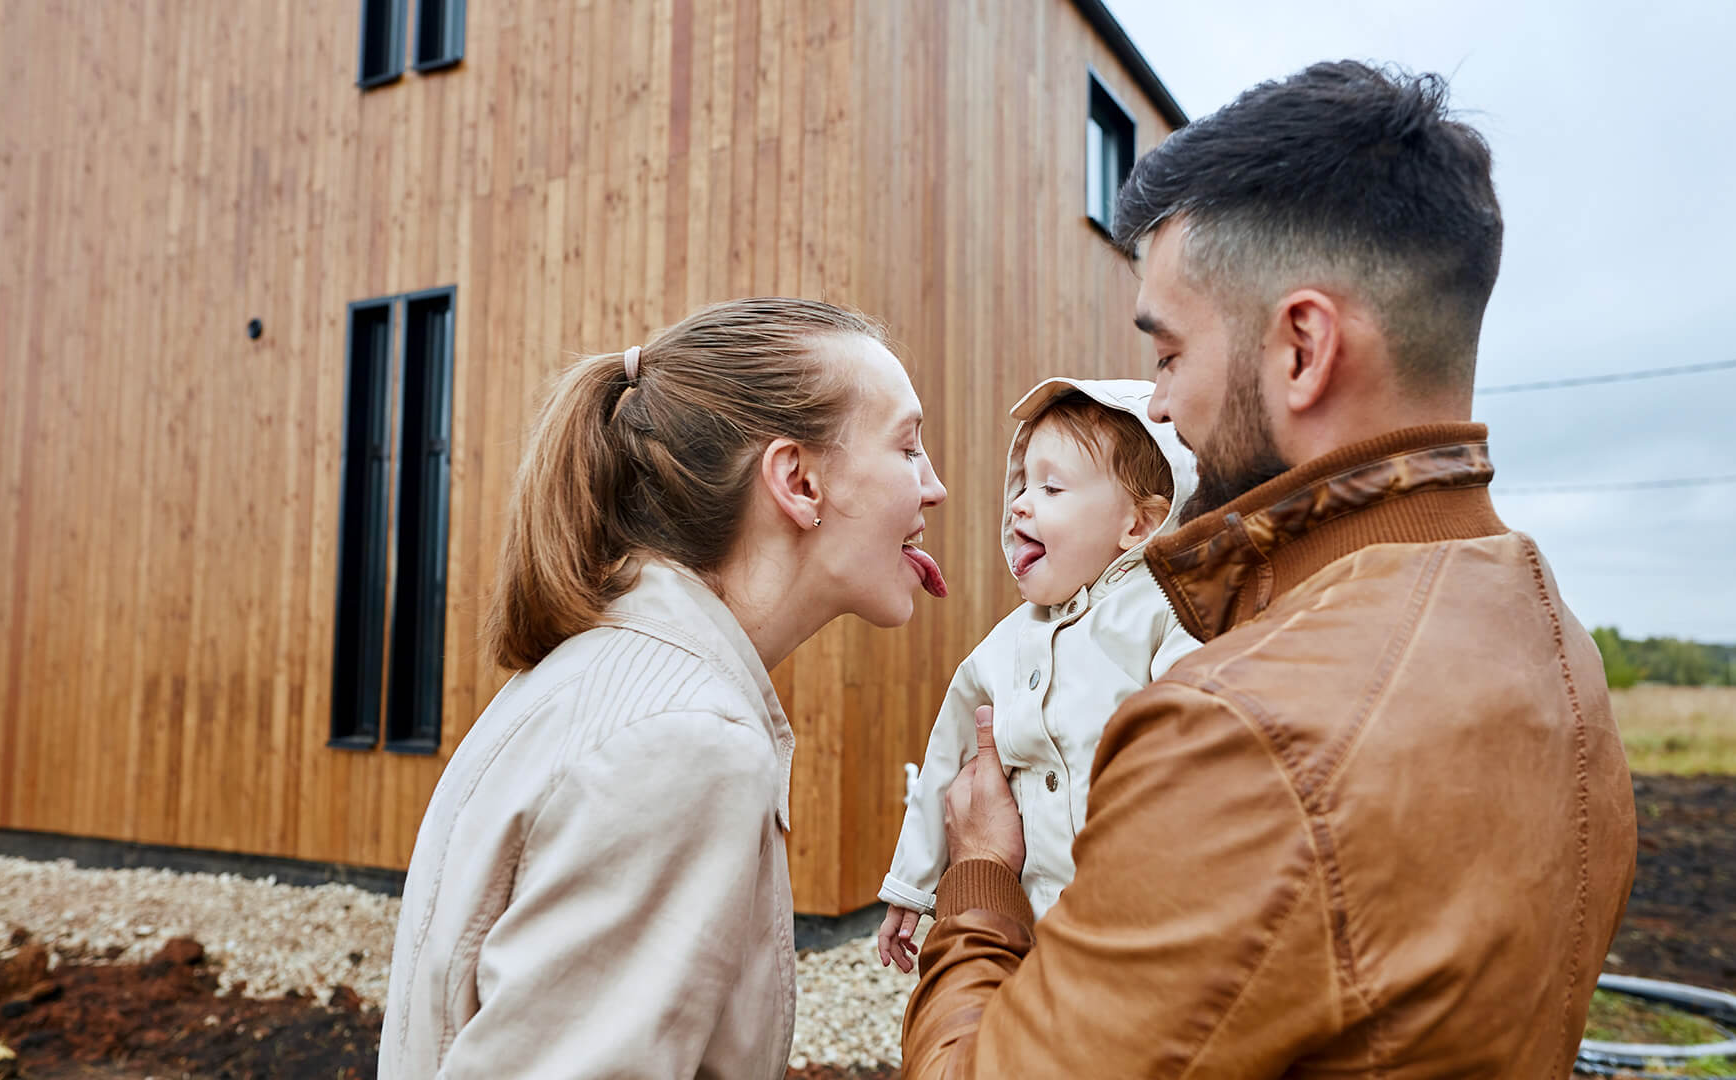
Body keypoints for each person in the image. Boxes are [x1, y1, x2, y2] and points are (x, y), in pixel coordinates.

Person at [900, 62, 1638, 1078]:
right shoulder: (1552, 638)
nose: (1159, 408)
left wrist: (980, 880)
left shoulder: (1244, 730)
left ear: (1302, 348)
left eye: (1167, 356)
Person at [379, 298, 948, 1080]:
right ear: (800, 482)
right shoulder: (683, 741)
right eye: (909, 448)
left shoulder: (607, 682)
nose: (936, 487)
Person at [873, 378, 1200, 970]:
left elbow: (1206, 732)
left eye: (1051, 487)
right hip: (1031, 934)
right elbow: (949, 761)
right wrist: (912, 885)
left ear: (1138, 525)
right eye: (1022, 484)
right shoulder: (1007, 642)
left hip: (1148, 931)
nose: (1021, 502)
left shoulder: (1169, 611)